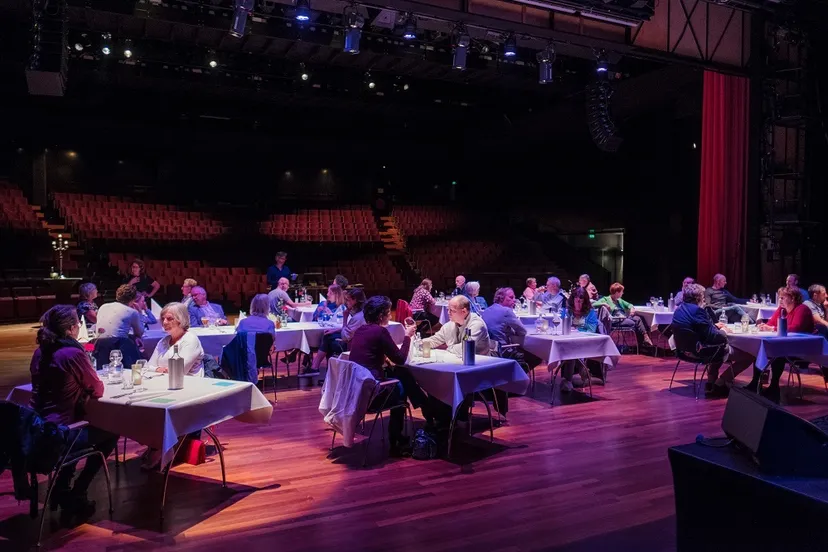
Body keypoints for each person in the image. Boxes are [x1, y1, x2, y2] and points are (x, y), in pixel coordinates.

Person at [29, 305, 118, 522]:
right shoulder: (71, 353)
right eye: (78, 324)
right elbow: (97, 389)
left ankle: (61, 487)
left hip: (35, 431)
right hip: (59, 433)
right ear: (70, 329)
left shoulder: (40, 352)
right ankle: (78, 491)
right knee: (111, 432)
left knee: (81, 429)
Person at [348, 295, 422, 455]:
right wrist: (408, 336)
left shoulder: (361, 330)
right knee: (402, 386)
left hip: (356, 390)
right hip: (373, 393)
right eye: (389, 312)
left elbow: (371, 355)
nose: (390, 316)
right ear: (381, 315)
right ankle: (396, 440)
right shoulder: (380, 332)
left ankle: (424, 408)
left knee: (402, 376)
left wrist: (384, 359)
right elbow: (401, 359)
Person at [671, 283, 754, 397]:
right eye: (703, 296)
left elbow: (699, 328)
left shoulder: (680, 309)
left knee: (718, 345)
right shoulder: (697, 311)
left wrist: (714, 326)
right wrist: (723, 331)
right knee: (750, 356)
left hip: (683, 351)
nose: (704, 299)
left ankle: (711, 381)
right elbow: (714, 337)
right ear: (698, 298)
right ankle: (722, 381)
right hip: (700, 352)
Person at [743, 286, 815, 403]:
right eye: (779, 297)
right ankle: (755, 383)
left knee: (778, 353)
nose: (779, 300)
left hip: (802, 348)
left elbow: (796, 328)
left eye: (782, 298)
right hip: (787, 345)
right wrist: (764, 326)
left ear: (792, 298)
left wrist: (772, 328)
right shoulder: (782, 309)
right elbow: (771, 323)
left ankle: (774, 387)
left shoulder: (802, 309)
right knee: (759, 348)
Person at [482, 287, 542, 371]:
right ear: (501, 298)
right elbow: (523, 331)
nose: (514, 300)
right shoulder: (506, 311)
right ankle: (515, 376)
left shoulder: (486, 310)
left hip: (490, 352)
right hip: (504, 352)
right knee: (537, 355)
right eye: (511, 297)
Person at [310, 288, 366, 373]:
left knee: (327, 338)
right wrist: (336, 330)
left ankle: (315, 367)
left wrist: (345, 318)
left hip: (351, 346)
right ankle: (323, 369)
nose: (346, 302)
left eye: (348, 300)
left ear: (355, 300)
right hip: (356, 343)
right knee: (329, 334)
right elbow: (351, 330)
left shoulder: (357, 317)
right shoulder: (362, 313)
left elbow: (345, 337)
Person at [558, 287, 600, 393]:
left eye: (581, 301)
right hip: (568, 340)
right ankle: (583, 372)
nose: (578, 304)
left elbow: (591, 330)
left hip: (586, 342)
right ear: (572, 300)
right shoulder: (567, 311)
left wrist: (575, 329)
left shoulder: (590, 312)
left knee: (571, 352)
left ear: (585, 301)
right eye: (576, 301)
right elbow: (560, 325)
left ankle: (567, 381)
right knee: (571, 350)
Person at [147, 302, 205, 376]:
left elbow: (178, 372)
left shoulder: (190, 340)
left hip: (188, 382)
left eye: (169, 319)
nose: (164, 322)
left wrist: (155, 369)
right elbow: (147, 367)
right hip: (163, 380)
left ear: (181, 319)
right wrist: (157, 369)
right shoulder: (163, 341)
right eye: (163, 319)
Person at [423, 295, 490, 356]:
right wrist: (419, 343)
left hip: (479, 363)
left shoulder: (477, 324)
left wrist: (447, 348)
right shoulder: (449, 325)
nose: (448, 313)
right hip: (456, 361)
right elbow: (435, 340)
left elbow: (465, 348)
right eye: (448, 309)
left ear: (464, 311)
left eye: (452, 310)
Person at [593, 283, 654, 349]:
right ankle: (643, 342)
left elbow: (629, 304)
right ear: (617, 292)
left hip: (623, 318)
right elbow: (594, 304)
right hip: (615, 320)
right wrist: (604, 304)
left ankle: (644, 339)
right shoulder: (606, 299)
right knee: (636, 322)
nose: (623, 293)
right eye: (622, 292)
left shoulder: (619, 300)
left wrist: (631, 308)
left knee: (639, 318)